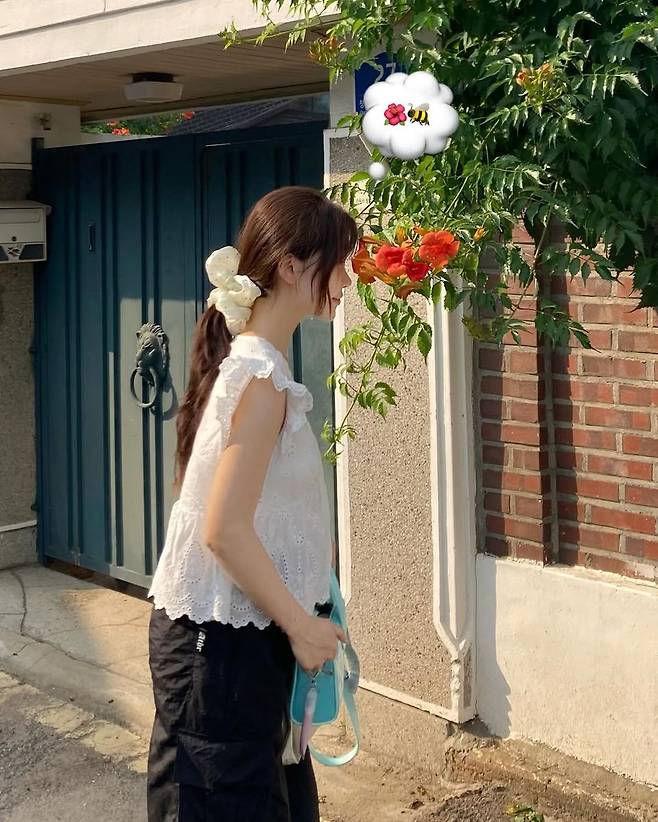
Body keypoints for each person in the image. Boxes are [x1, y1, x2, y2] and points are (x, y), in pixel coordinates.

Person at [146, 186, 358, 822]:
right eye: (338, 263)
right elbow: (224, 530)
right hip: (219, 654)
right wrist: (302, 625)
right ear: (292, 265)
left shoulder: (257, 366)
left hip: (240, 649)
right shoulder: (258, 378)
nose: (347, 280)